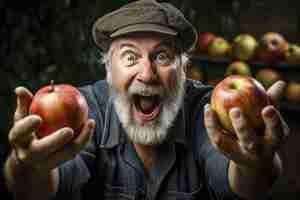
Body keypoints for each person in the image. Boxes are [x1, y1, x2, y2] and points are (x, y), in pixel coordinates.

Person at [2, 0, 290, 199]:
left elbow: (240, 182)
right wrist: (26, 167)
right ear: (108, 70)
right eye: (129, 57)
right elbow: (41, 189)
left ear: (184, 69)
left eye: (163, 56)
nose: (147, 74)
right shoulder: (83, 110)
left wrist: (255, 164)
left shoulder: (207, 108)